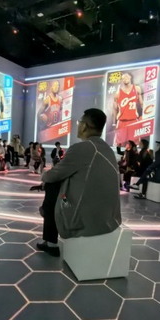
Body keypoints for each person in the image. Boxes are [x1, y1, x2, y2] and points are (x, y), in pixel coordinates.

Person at [36, 108, 121, 256]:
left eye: (79, 122)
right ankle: (48, 235)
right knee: (57, 184)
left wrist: (44, 177)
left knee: (52, 186)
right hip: (110, 215)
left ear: (84, 126)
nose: (78, 125)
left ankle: (50, 240)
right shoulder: (107, 149)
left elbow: (53, 175)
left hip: (87, 215)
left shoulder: (82, 148)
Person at [112, 72, 143, 145]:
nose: (125, 79)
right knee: (119, 143)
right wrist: (114, 123)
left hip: (133, 120)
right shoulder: (118, 93)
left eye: (126, 77)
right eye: (123, 78)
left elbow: (142, 104)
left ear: (130, 77)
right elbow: (115, 109)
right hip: (122, 121)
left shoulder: (137, 89)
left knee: (135, 143)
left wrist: (146, 115)